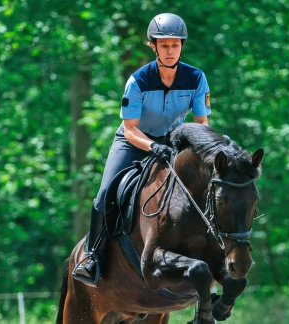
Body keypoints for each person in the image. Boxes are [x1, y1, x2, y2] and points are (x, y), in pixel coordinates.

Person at [71, 12, 211, 287]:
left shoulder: (197, 78)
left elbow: (201, 124)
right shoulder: (138, 81)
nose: (170, 50)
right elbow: (130, 128)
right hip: (133, 141)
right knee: (103, 194)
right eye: (164, 45)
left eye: (175, 45)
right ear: (153, 46)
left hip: (173, 141)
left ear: (182, 46)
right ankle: (92, 257)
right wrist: (152, 145)